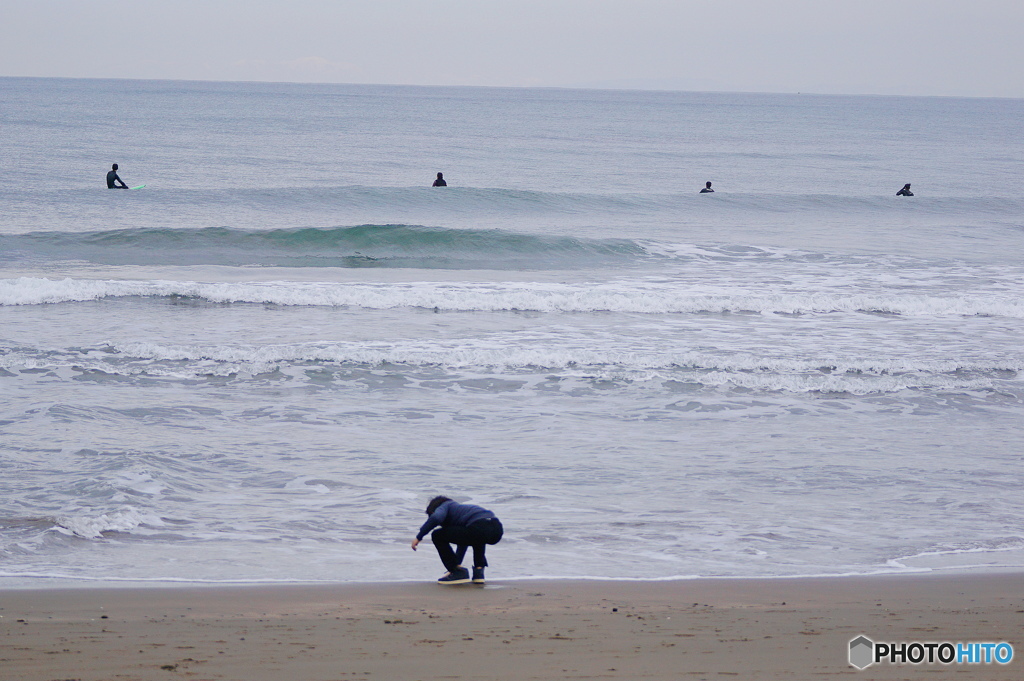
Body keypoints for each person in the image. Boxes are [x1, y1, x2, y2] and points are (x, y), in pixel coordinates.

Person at [411, 496, 503, 584]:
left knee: (437, 535)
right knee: (477, 537)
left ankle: (457, 572)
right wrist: (457, 564)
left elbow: (436, 518)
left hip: (479, 527)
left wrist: (419, 537)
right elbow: (463, 542)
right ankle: (478, 574)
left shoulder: (445, 505)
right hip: (496, 529)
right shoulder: (462, 510)